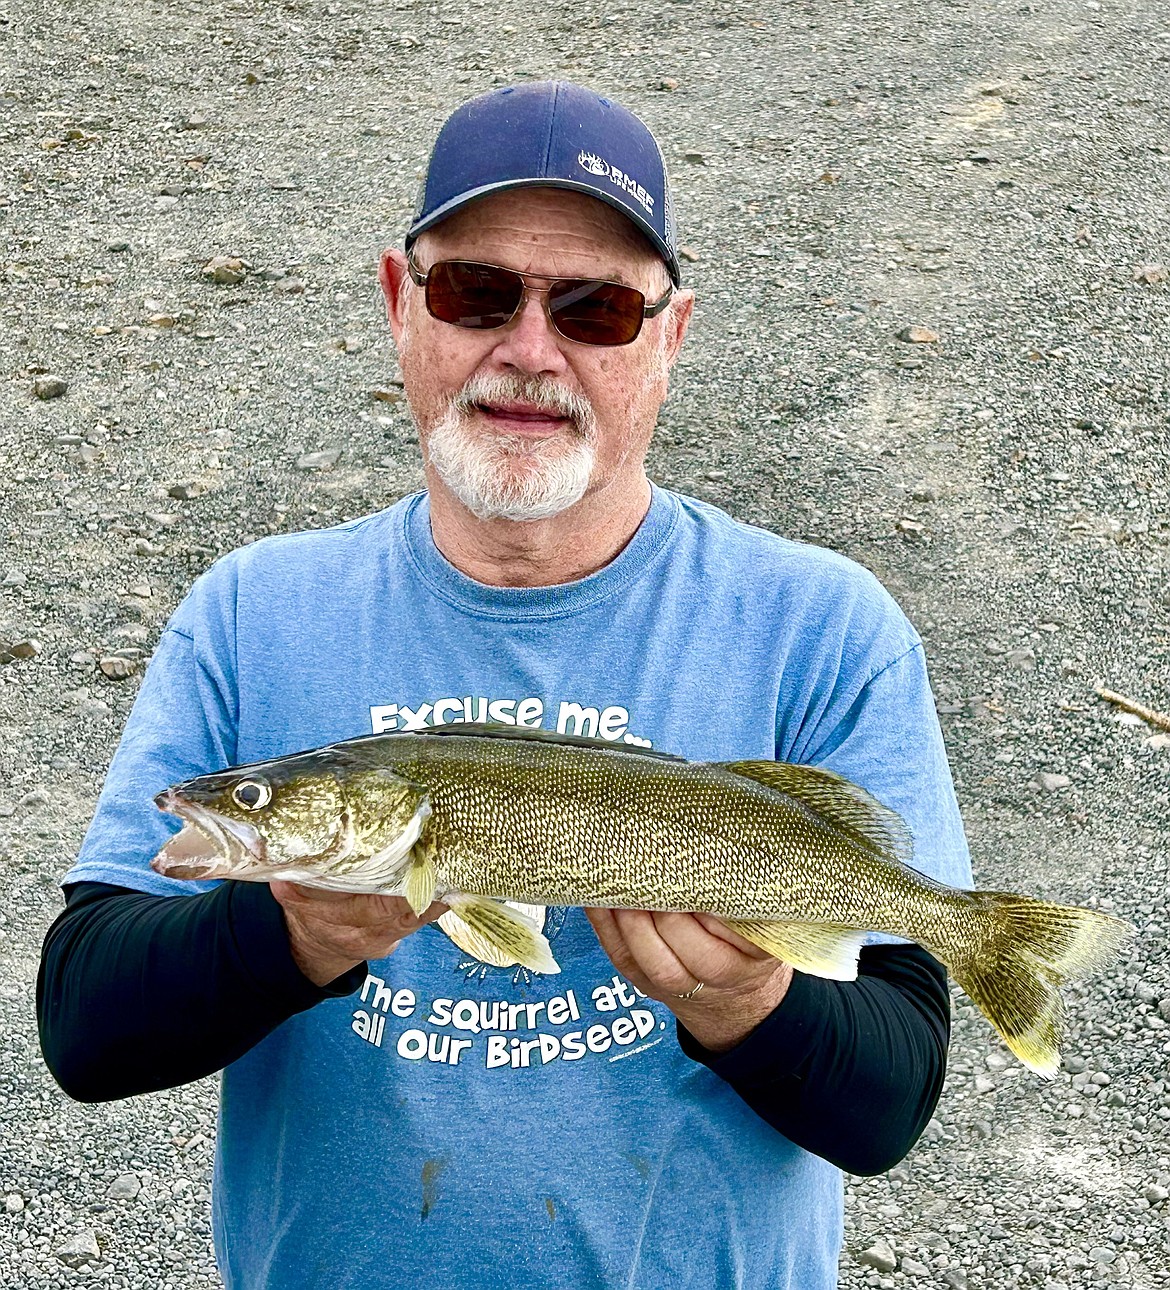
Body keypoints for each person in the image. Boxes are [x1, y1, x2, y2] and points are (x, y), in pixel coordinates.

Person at [38, 82, 971, 1289]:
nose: (532, 351)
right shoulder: (249, 613)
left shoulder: (824, 629)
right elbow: (85, 1032)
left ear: (669, 340)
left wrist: (752, 1004)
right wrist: (286, 932)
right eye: (477, 292)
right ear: (399, 303)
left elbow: (887, 1104)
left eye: (599, 309)